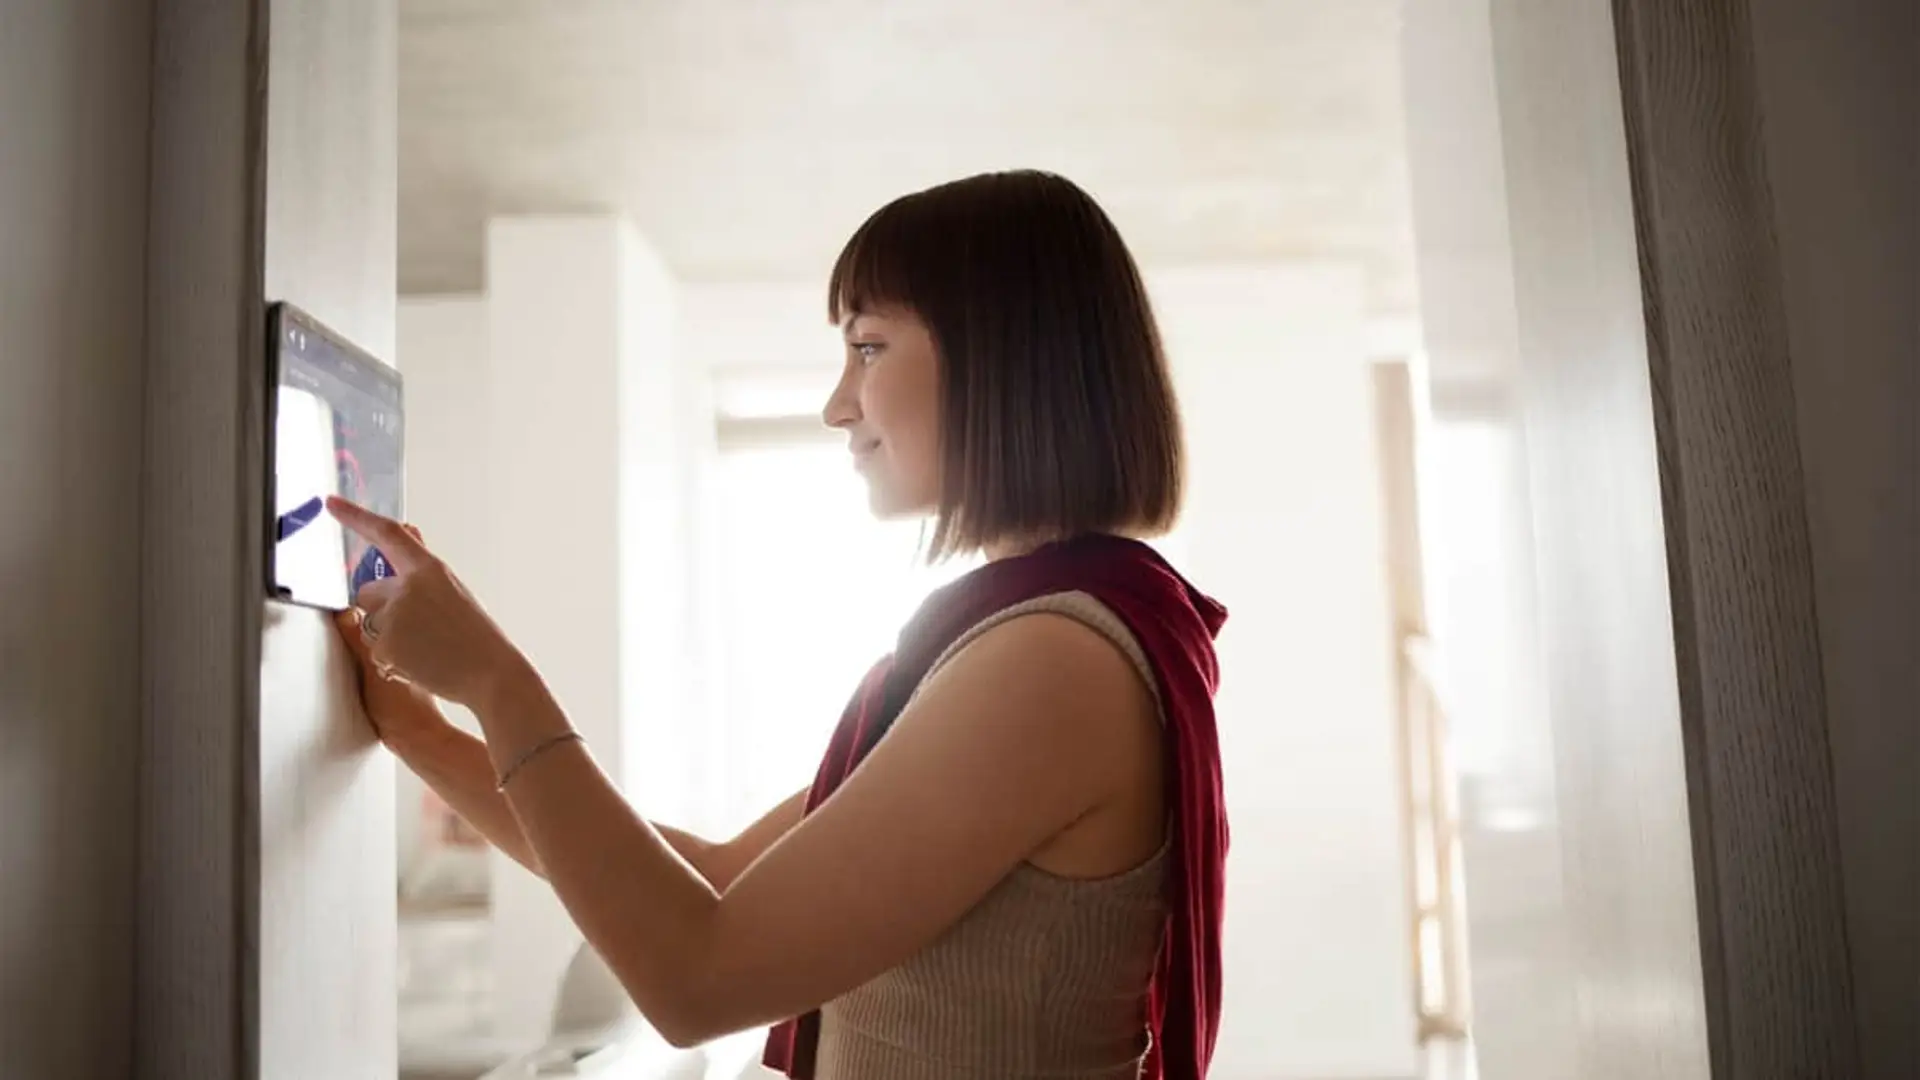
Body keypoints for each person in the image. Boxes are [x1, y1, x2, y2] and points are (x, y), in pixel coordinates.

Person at [335, 169, 1231, 1080]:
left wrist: (496, 679)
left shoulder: (1051, 663)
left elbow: (699, 977)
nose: (838, 403)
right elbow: (714, 878)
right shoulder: (1027, 640)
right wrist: (415, 725)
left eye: (870, 348)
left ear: (1005, 361)